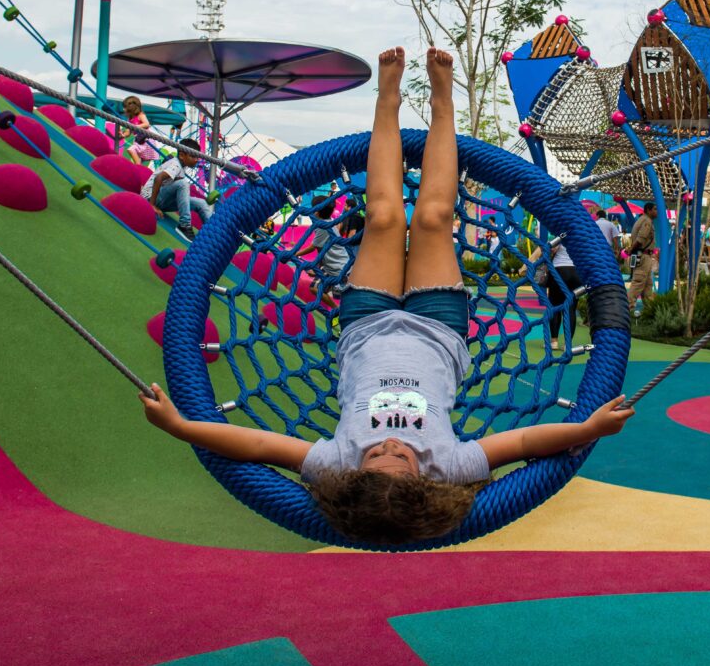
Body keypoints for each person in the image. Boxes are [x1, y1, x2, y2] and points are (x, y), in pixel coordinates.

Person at [139, 47, 635, 545]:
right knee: (433, 218)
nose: (389, 446)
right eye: (400, 458)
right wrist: (585, 429)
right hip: (439, 325)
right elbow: (524, 440)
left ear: (353, 476)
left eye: (377, 456)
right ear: (426, 484)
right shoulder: (449, 465)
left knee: (382, 216)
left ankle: (387, 97)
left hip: (365, 321)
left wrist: (182, 428)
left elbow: (258, 444)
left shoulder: (337, 463)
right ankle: (444, 104)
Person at [141, 145, 214, 241]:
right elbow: (159, 178)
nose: (196, 160)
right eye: (193, 157)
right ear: (182, 155)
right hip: (150, 198)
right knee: (183, 183)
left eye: (197, 157)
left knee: (202, 203)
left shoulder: (182, 166)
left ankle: (212, 236)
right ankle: (184, 225)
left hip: (162, 200)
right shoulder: (176, 165)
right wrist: (151, 205)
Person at [626, 202, 658, 315]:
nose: (656, 211)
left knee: (647, 285)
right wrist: (631, 249)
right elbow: (640, 239)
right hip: (643, 256)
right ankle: (627, 309)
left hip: (643, 255)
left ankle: (649, 310)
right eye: (654, 209)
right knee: (638, 283)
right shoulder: (646, 222)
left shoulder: (642, 220)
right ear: (648, 210)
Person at [119, 96, 156, 165]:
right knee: (135, 154)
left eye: (125, 107)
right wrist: (123, 135)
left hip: (145, 140)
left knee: (131, 149)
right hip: (138, 140)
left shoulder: (140, 115)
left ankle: (138, 166)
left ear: (131, 108)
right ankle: (139, 166)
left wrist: (135, 127)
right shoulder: (130, 120)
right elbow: (128, 132)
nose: (123, 110)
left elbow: (146, 124)